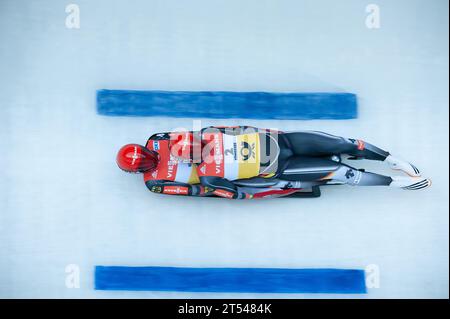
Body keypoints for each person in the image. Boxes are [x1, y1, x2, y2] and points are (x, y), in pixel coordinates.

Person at [116, 126, 431, 199]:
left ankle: (390, 158)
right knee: (342, 172)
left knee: (342, 143)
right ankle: (396, 182)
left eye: (198, 144)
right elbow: (219, 192)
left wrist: (269, 132)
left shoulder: (199, 136)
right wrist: (255, 190)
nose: (201, 148)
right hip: (276, 169)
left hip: (282, 142)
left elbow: (234, 128)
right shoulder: (199, 177)